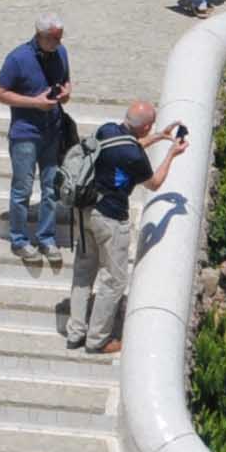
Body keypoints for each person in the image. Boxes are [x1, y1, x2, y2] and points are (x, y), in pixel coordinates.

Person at [66, 97, 187, 355]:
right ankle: (97, 339)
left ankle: (75, 331)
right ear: (144, 127)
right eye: (151, 127)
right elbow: (153, 182)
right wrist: (170, 154)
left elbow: (125, 147)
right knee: (114, 280)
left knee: (83, 272)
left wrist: (157, 137)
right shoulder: (134, 157)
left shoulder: (107, 130)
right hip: (109, 219)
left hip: (84, 211)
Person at [0, 14, 71, 263]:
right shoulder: (17, 58)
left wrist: (66, 93)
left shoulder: (61, 53)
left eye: (60, 37)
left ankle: (46, 238)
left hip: (53, 131)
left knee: (51, 188)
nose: (59, 42)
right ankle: (19, 239)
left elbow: (66, 81)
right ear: (41, 36)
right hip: (25, 134)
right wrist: (35, 103)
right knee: (22, 188)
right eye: (55, 38)